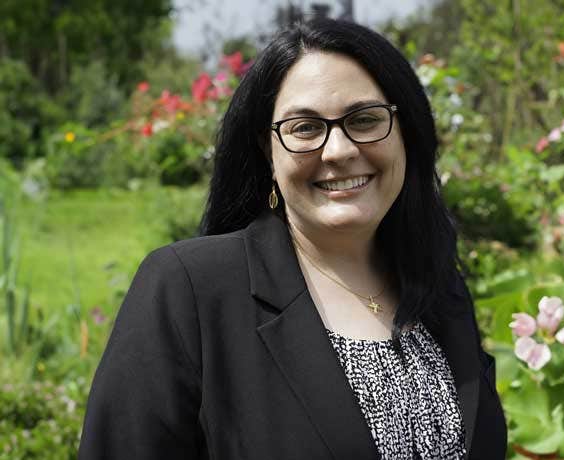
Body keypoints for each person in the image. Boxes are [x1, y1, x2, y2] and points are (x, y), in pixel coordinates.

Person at [78, 18, 506, 460]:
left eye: (365, 120)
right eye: (305, 128)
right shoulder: (189, 290)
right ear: (268, 151)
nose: (339, 150)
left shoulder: (439, 287)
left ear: (406, 134)